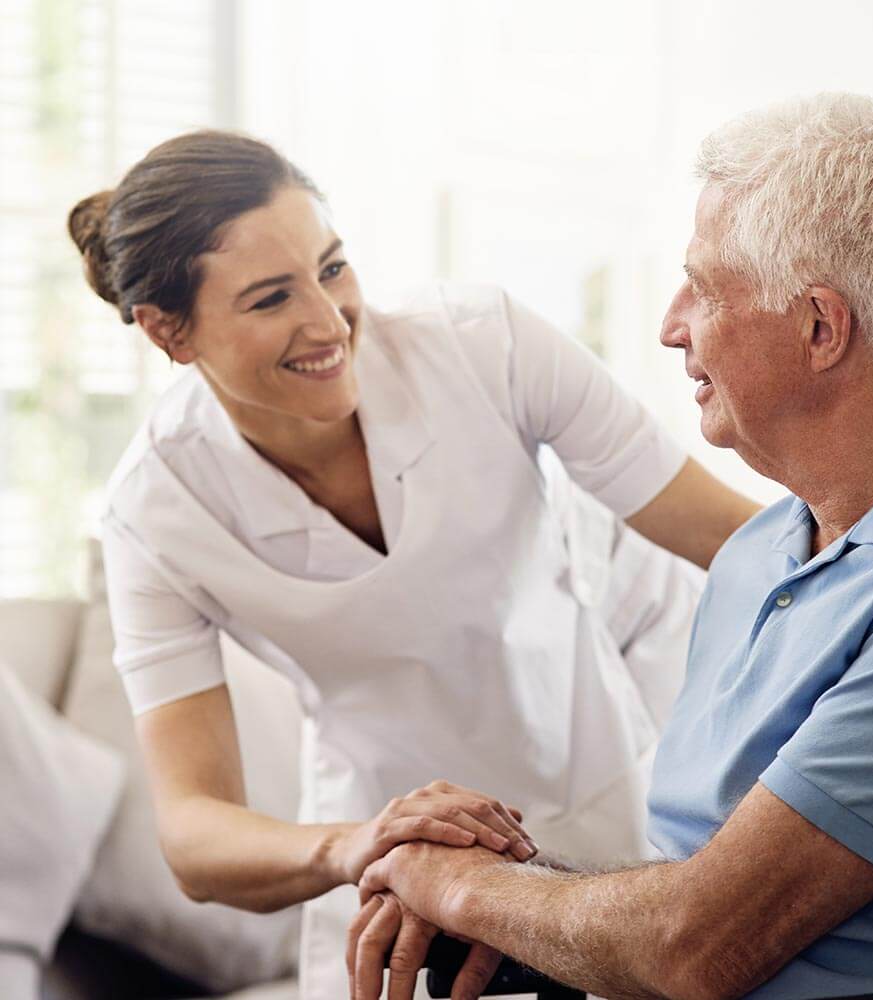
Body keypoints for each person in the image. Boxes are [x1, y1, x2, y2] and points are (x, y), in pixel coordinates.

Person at [67, 131, 756, 999]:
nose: (327, 322)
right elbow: (193, 835)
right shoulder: (156, 511)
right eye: (271, 298)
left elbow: (741, 542)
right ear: (169, 331)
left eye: (332, 268)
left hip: (599, 805)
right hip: (398, 876)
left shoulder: (481, 344)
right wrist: (357, 844)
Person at [349, 92, 873, 1000]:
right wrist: (484, 880)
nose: (670, 323)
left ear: (820, 326)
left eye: (706, 287)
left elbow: (700, 944)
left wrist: (458, 883)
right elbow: (695, 884)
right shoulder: (755, 555)